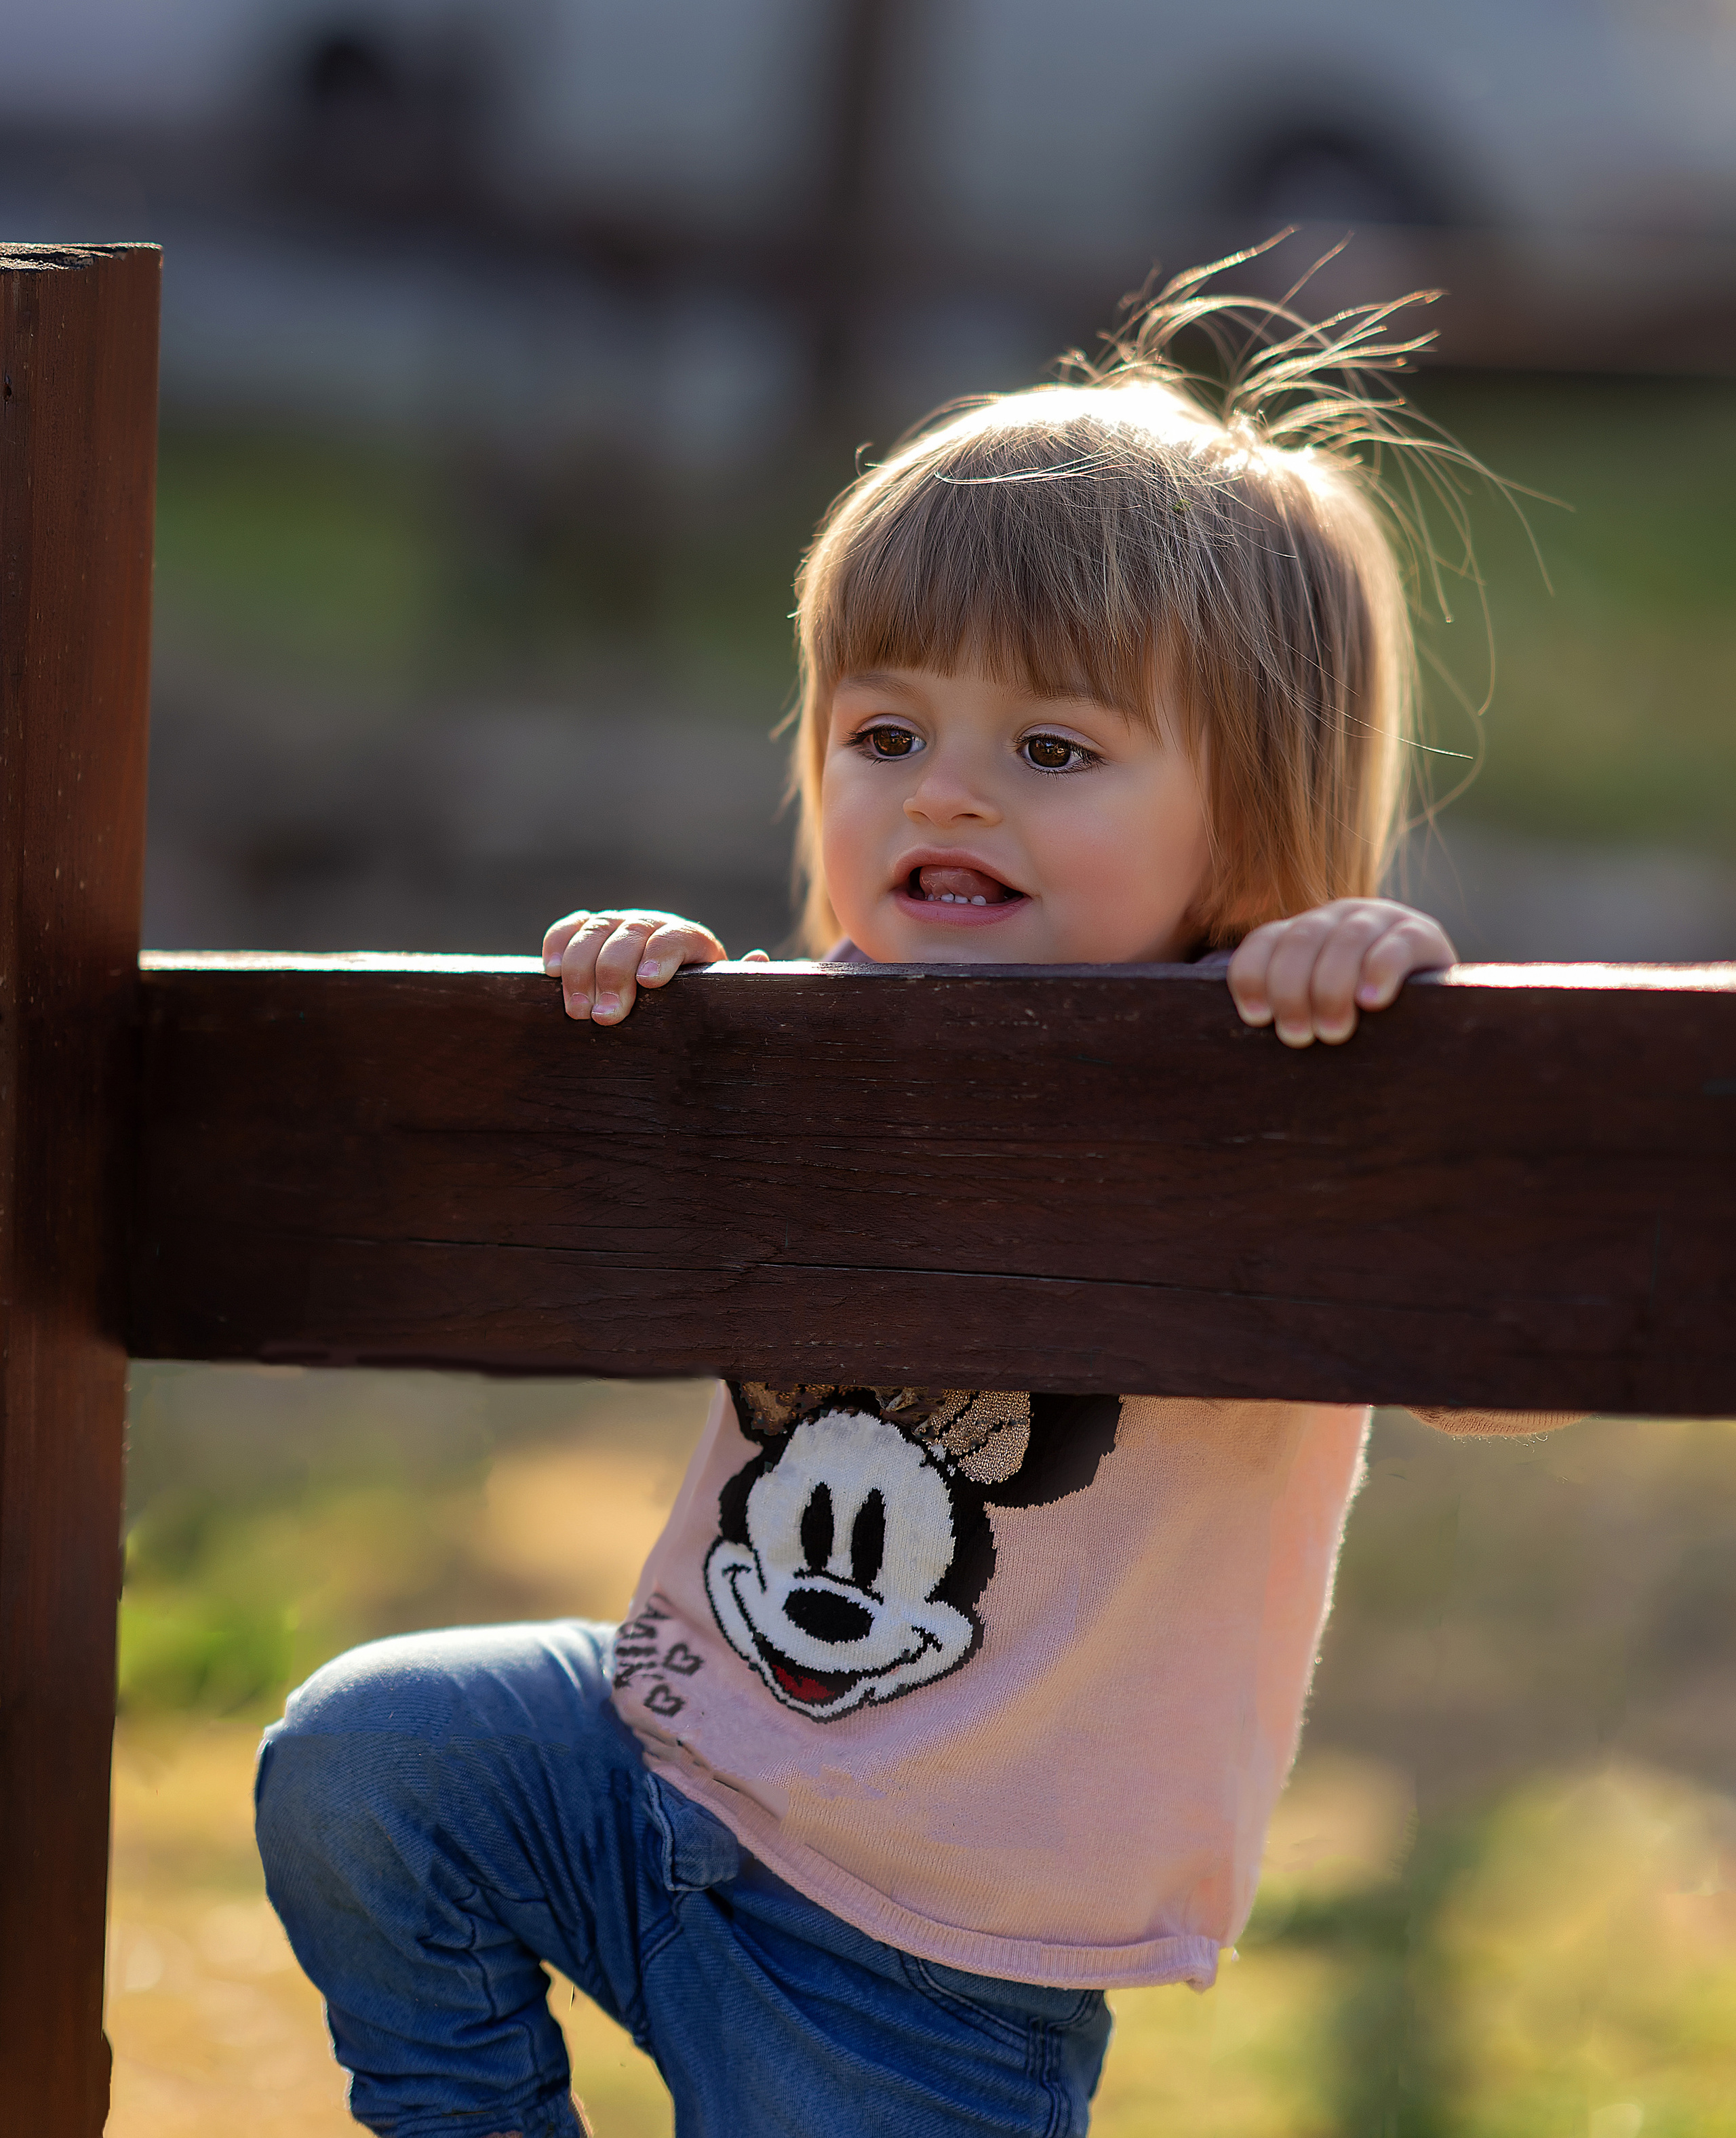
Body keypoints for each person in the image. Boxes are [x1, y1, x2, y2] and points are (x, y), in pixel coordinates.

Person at [256, 262, 1571, 2137]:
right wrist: (650, 1019)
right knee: (375, 1754)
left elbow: (1520, 1360)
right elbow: (593, 1178)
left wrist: (1390, 1023)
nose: (947, 796)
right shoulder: (823, 1043)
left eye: (1051, 750)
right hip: (666, 1770)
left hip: (937, 1969)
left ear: (1258, 814)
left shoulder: (1291, 1094)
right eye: (886, 737)